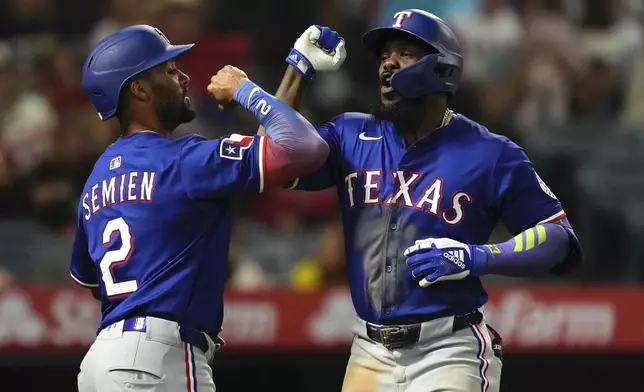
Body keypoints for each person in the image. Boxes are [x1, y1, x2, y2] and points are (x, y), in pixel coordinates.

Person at [267, 11, 582, 392]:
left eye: (405, 52)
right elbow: (272, 159)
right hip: (369, 352)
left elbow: (558, 237)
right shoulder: (350, 134)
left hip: (449, 351)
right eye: (384, 54)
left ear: (442, 68)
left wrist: (476, 257)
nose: (388, 63)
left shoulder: (490, 152)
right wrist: (297, 69)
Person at [71, 24, 335, 392]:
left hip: (101, 362)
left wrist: (297, 68)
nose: (183, 76)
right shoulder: (185, 159)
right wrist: (244, 89)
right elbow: (305, 148)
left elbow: (91, 281)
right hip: (156, 360)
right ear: (139, 89)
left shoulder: (96, 180)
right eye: (168, 69)